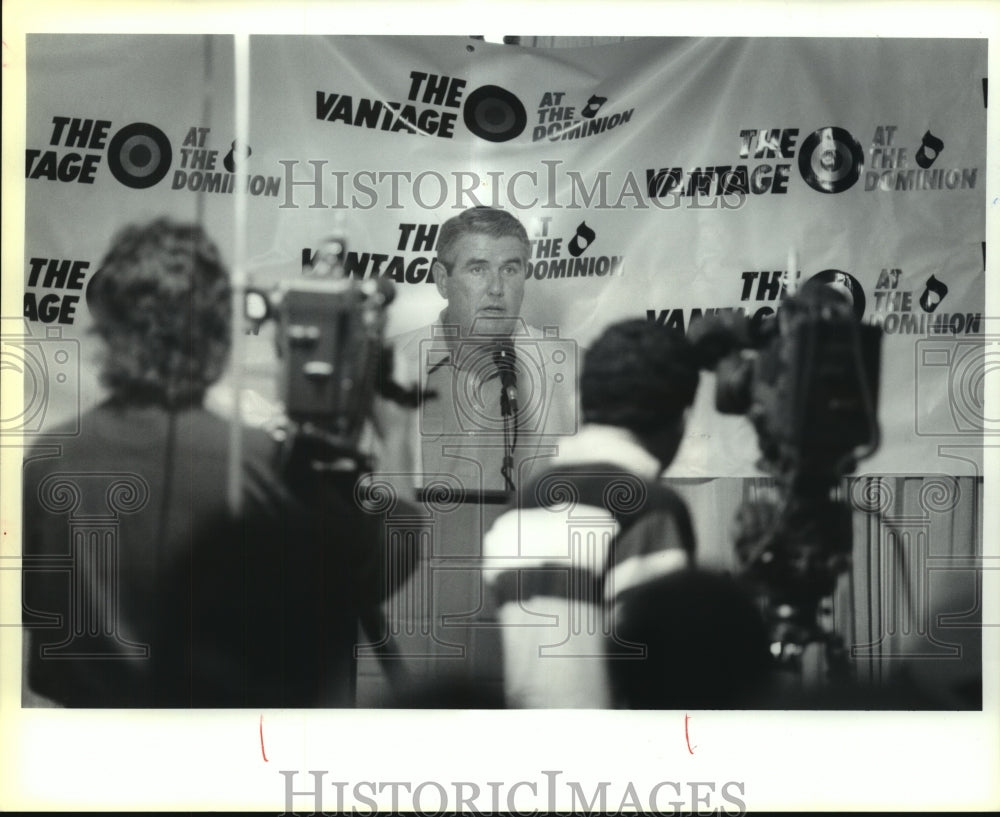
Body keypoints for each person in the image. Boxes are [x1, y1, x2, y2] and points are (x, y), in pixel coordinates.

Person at [21, 218, 393, 707]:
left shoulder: (51, 457)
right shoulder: (261, 461)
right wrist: (395, 424)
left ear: (107, 333)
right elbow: (370, 570)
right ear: (218, 334)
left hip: (89, 751)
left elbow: (37, 616)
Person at [481, 318, 702, 707]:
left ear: (584, 404)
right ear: (680, 419)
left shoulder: (518, 510)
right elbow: (662, 670)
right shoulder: (649, 510)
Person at [376, 205, 576, 498]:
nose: (496, 287)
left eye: (510, 269)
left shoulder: (571, 370)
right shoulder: (386, 366)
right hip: (412, 540)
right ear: (443, 280)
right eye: (477, 269)